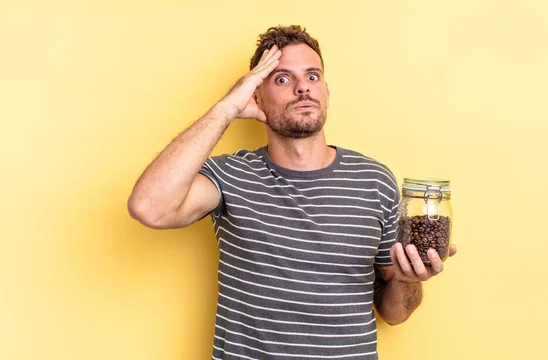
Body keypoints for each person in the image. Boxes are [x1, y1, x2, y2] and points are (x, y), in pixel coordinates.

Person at [128, 25, 457, 360]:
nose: (303, 88)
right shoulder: (231, 175)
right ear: (255, 96)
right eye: (282, 79)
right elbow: (149, 207)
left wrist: (406, 280)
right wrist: (226, 108)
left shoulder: (375, 181)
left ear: (326, 91)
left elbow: (395, 314)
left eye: (312, 77)